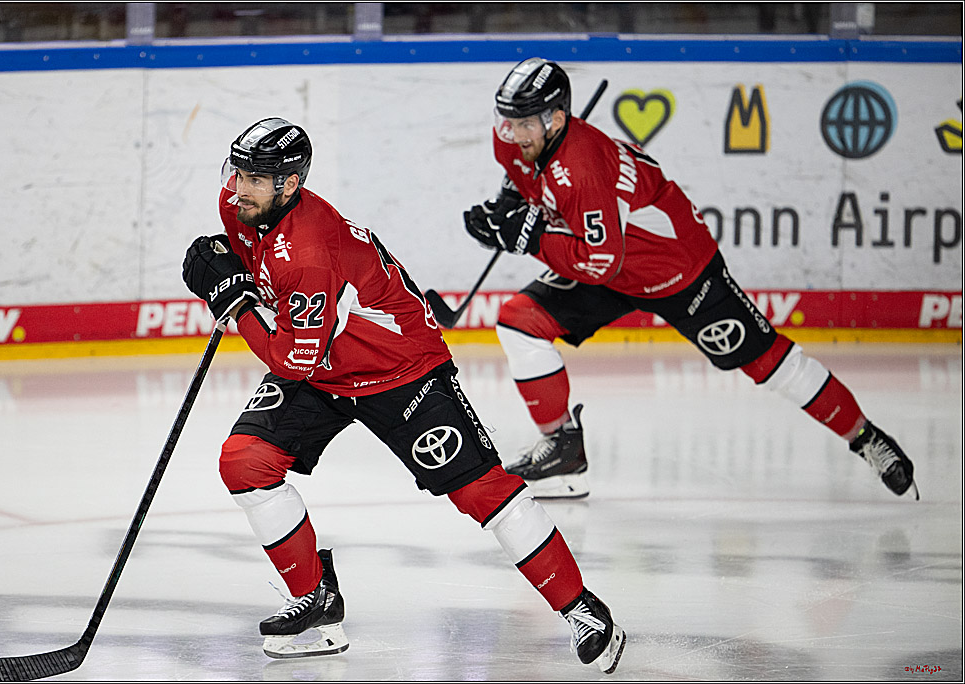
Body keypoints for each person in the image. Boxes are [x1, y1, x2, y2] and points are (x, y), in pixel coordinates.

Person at [180, 117, 626, 673]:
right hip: (326, 365)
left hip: (401, 370)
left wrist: (233, 304)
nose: (239, 187)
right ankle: (316, 603)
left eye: (256, 178)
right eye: (238, 171)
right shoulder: (242, 205)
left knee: (481, 491)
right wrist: (223, 261)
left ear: (290, 184)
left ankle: (582, 608)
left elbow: (289, 359)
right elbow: (259, 271)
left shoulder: (311, 253)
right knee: (246, 462)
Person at [462, 57, 919, 502]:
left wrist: (530, 238)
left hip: (678, 270)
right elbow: (535, 196)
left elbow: (598, 261)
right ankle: (563, 454)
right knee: (519, 321)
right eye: (508, 121)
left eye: (525, 124)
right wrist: (508, 214)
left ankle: (865, 436)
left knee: (769, 362)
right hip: (614, 266)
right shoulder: (513, 144)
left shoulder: (583, 169)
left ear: (557, 119)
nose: (514, 134)